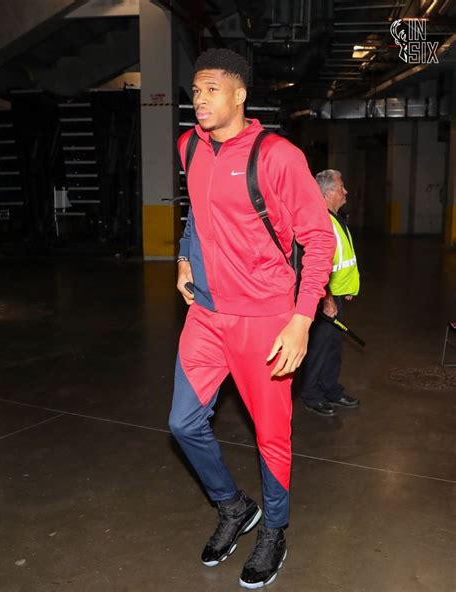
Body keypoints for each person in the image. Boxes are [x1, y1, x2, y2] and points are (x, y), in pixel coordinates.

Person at [168, 48, 335, 589]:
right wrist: (183, 258)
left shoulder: (278, 156)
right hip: (207, 313)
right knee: (183, 423)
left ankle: (275, 529)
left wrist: (301, 320)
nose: (199, 99)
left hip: (266, 318)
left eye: (211, 88)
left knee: (272, 437)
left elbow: (318, 240)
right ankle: (233, 506)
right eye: (195, 90)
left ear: (239, 94)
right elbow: (196, 207)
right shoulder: (189, 146)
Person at [299, 169, 361, 417]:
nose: (345, 191)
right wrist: (325, 299)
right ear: (327, 193)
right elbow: (315, 263)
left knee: (333, 346)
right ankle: (311, 394)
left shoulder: (336, 218)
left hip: (336, 294)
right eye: (341, 187)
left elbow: (341, 259)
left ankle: (331, 390)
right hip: (324, 298)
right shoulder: (320, 222)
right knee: (320, 347)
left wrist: (346, 288)